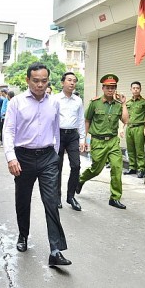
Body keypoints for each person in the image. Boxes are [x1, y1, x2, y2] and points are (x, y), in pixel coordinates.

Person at [3, 62, 71, 267]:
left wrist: (56, 154)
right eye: (36, 81)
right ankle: (23, 235)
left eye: (44, 81)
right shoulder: (16, 102)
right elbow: (8, 131)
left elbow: (55, 131)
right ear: (28, 80)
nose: (40, 85)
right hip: (22, 158)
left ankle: (56, 250)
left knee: (51, 201)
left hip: (48, 158)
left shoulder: (54, 103)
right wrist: (11, 157)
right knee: (23, 200)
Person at [76, 74, 129, 209]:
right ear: (103, 88)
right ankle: (81, 180)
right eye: (108, 87)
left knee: (117, 168)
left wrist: (123, 104)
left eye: (113, 87)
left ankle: (115, 197)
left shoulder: (118, 104)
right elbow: (87, 121)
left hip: (112, 141)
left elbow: (125, 120)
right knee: (96, 169)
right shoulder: (95, 103)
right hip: (98, 142)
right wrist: (84, 140)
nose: (110, 90)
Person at [53, 72, 86, 211]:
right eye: (69, 80)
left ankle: (71, 196)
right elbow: (51, 120)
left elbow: (81, 120)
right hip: (58, 135)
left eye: (74, 81)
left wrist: (83, 138)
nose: (72, 83)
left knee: (76, 165)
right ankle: (57, 197)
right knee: (57, 167)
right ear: (62, 83)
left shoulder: (78, 100)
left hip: (73, 135)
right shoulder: (55, 99)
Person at [124, 81, 145, 178]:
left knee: (139, 149)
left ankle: (141, 169)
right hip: (129, 127)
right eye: (134, 88)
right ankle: (132, 167)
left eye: (137, 88)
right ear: (131, 89)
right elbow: (125, 116)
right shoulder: (128, 103)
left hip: (139, 127)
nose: (136, 89)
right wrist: (122, 128)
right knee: (130, 149)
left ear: (140, 89)